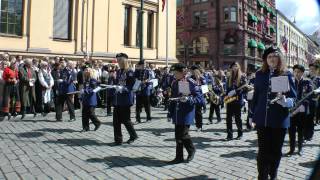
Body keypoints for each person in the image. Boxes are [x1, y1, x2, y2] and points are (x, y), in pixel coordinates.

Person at [252, 46, 296, 180]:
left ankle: (273, 173)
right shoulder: (259, 74)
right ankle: (262, 176)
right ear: (266, 59)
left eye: (275, 56)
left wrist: (286, 101)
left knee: (276, 151)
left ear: (279, 58)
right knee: (263, 152)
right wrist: (252, 115)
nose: (272, 59)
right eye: (269, 56)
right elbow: (256, 96)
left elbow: (294, 98)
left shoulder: (286, 74)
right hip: (262, 119)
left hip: (279, 119)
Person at [167, 63, 203, 164]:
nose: (174, 75)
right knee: (178, 136)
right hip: (177, 113)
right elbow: (173, 99)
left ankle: (191, 150)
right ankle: (179, 157)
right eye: (173, 73)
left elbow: (200, 99)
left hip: (186, 112)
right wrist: (170, 113)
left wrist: (188, 99)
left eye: (176, 73)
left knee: (183, 134)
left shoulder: (191, 82)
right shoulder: (174, 83)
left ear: (182, 72)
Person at [112, 53, 138, 145]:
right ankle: (118, 140)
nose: (118, 62)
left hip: (126, 99)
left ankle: (133, 135)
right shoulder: (119, 71)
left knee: (126, 120)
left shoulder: (129, 71)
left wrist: (123, 88)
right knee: (116, 121)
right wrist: (115, 86)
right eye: (117, 60)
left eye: (119, 60)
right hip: (118, 98)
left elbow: (132, 86)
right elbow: (118, 82)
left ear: (124, 61)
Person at [287, 64, 312, 156]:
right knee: (291, 131)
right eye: (295, 71)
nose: (297, 73)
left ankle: (300, 149)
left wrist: (304, 105)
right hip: (291, 111)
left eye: (299, 72)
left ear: (302, 73)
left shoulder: (307, 82)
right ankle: (291, 149)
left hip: (302, 110)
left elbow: (310, 96)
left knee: (301, 131)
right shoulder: (290, 82)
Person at [225, 62, 247, 140]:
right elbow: (227, 88)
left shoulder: (242, 76)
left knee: (238, 118)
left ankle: (240, 134)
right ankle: (229, 135)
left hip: (237, 99)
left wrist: (236, 92)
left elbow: (244, 88)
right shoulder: (229, 77)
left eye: (236, 66)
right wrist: (227, 95)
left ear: (238, 67)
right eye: (233, 66)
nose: (234, 67)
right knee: (228, 118)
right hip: (230, 99)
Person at [81, 66, 101, 131]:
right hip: (85, 99)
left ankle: (97, 123)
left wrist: (85, 91)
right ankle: (85, 127)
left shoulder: (93, 80)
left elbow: (93, 89)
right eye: (85, 70)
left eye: (87, 70)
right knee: (84, 114)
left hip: (91, 99)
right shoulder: (85, 80)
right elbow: (85, 88)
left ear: (90, 72)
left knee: (91, 113)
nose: (85, 71)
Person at [189, 65, 207, 131]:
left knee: (198, 112)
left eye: (191, 70)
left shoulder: (202, 78)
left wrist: (205, 97)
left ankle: (199, 126)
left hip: (199, 97)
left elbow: (205, 89)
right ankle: (191, 124)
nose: (190, 71)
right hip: (191, 96)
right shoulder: (190, 77)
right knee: (191, 112)